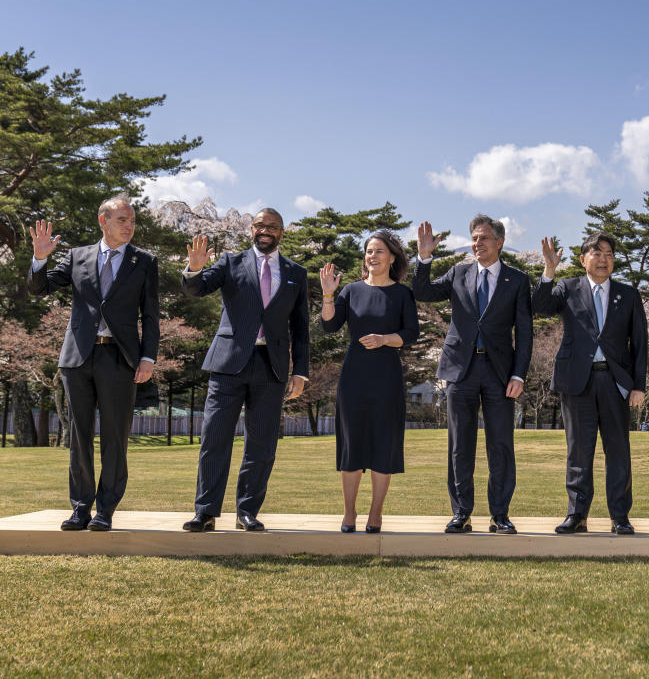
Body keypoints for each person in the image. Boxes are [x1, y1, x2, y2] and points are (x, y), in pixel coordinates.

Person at [27, 196, 159, 531]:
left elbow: (152, 315)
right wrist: (39, 259)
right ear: (103, 221)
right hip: (78, 358)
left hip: (120, 357)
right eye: (122, 220)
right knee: (79, 435)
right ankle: (81, 507)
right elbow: (39, 288)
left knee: (115, 436)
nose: (129, 226)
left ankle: (106, 510)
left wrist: (147, 357)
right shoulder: (76, 256)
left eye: (132, 221)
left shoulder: (144, 261)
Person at [180, 208, 310, 532]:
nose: (266, 230)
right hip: (228, 364)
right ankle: (205, 512)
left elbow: (302, 329)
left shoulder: (296, 273)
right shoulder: (230, 262)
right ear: (251, 229)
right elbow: (197, 288)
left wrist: (301, 372)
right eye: (260, 225)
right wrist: (194, 270)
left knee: (262, 444)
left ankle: (247, 511)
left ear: (282, 233)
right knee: (215, 438)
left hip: (272, 367)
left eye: (273, 227)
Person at [413, 215, 532, 535]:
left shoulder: (517, 280)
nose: (476, 244)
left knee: (501, 446)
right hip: (460, 371)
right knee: (459, 447)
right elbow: (422, 291)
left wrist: (519, 375)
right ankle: (461, 513)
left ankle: (500, 515)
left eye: (483, 238)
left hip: (499, 374)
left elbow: (525, 332)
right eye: (474, 238)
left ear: (499, 242)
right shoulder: (458, 273)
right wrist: (424, 258)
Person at [535, 233, 647, 535]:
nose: (603, 259)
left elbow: (639, 343)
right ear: (583, 259)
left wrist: (639, 385)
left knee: (619, 451)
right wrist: (549, 270)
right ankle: (577, 514)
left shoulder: (628, 294)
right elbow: (541, 305)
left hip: (615, 383)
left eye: (609, 254)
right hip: (577, 382)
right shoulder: (568, 288)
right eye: (596, 253)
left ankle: (620, 516)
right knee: (578, 452)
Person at [319, 230, 419, 534]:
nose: (371, 256)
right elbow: (329, 326)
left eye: (378, 251)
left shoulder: (402, 294)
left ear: (391, 257)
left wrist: (385, 339)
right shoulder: (351, 290)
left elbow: (411, 333)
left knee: (384, 446)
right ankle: (349, 514)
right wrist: (327, 295)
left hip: (387, 378)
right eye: (368, 251)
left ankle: (376, 514)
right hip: (353, 378)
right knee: (351, 446)